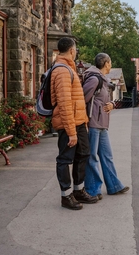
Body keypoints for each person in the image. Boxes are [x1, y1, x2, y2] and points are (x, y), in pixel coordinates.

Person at [51, 37, 98, 210]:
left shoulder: (69, 68)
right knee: (65, 159)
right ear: (72, 50)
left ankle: (78, 190)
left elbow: (77, 101)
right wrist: (71, 131)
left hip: (78, 121)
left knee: (83, 154)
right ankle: (66, 195)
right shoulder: (62, 71)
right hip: (67, 124)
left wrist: (83, 122)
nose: (76, 51)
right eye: (76, 49)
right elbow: (64, 103)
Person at [83, 53, 129, 199]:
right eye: (110, 62)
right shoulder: (94, 78)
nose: (111, 65)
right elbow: (83, 99)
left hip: (102, 123)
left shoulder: (103, 80)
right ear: (106, 63)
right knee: (92, 157)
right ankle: (92, 190)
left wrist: (111, 104)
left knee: (107, 155)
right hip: (93, 123)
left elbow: (102, 100)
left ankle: (114, 186)